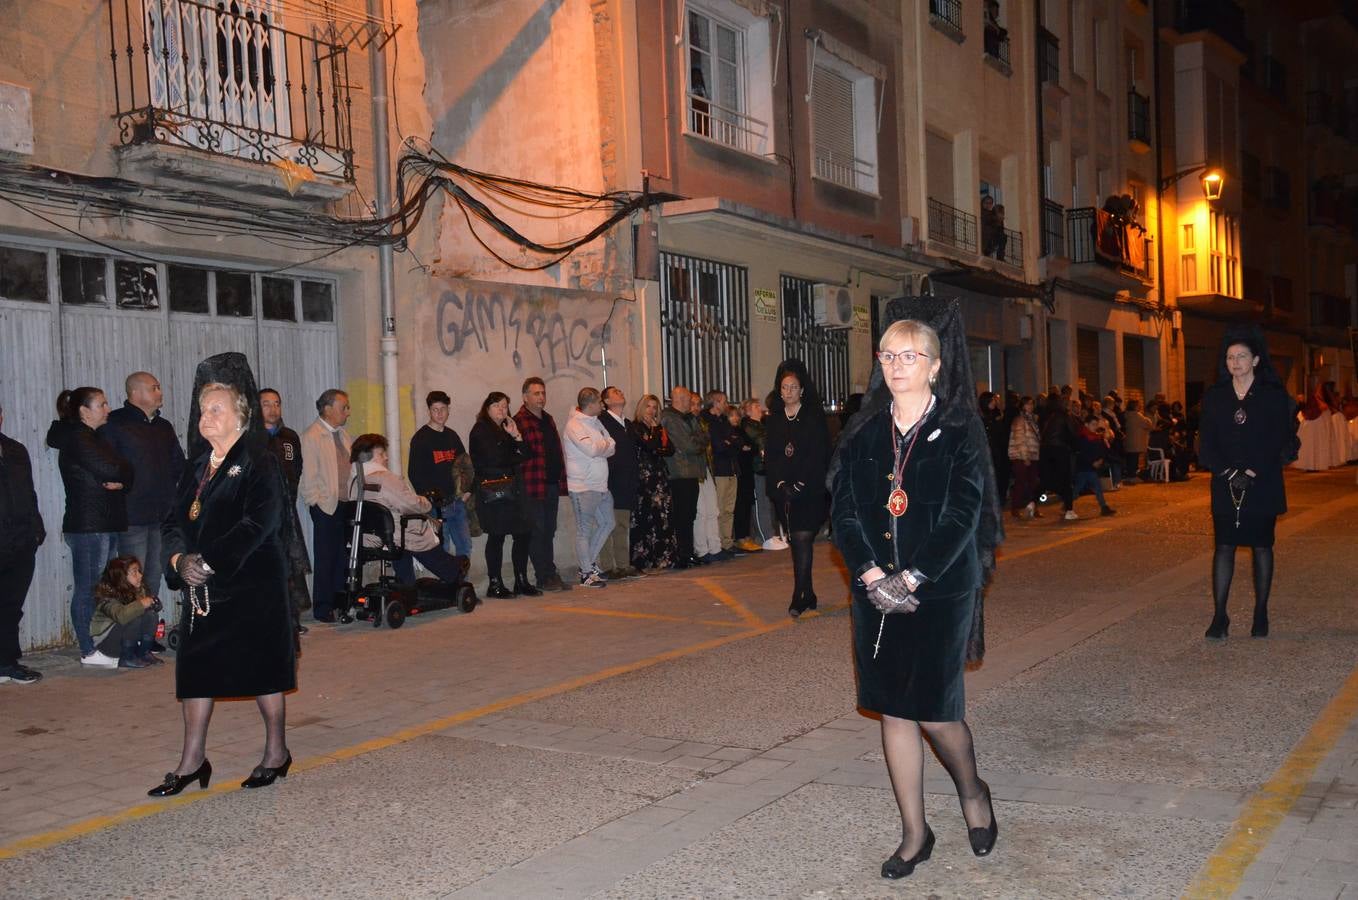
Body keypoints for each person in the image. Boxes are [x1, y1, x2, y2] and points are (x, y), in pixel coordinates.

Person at [829, 308, 1001, 881]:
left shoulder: (957, 431)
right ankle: (914, 832)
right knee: (894, 711)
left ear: (934, 366)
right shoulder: (864, 429)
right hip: (875, 594)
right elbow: (845, 509)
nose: (899, 365)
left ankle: (973, 792)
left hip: (940, 590)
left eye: (911, 356)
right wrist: (872, 575)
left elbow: (963, 512)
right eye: (889, 355)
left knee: (935, 712)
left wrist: (915, 576)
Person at [151, 354, 296, 796]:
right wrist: (178, 562)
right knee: (195, 669)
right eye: (201, 411)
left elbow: (260, 523)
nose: (205, 418)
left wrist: (208, 561)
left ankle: (276, 752)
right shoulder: (197, 466)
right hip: (202, 590)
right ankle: (192, 761)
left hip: (252, 585)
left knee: (263, 668)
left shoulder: (259, 460)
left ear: (240, 416)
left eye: (215, 410)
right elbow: (174, 522)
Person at [1197, 326, 1298, 640]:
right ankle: (1219, 616)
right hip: (1225, 481)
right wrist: (1227, 472)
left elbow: (1282, 440)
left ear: (1255, 359)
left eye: (1241, 356)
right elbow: (1206, 442)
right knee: (1223, 546)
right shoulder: (1216, 397)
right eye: (1230, 357)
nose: (1235, 362)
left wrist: (1253, 471)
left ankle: (1261, 612)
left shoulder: (1273, 397)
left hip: (1262, 481)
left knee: (1262, 546)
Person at [47, 387, 132, 664]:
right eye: (102, 404)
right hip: (89, 525)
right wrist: (124, 473)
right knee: (87, 587)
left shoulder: (93, 438)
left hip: (103, 522)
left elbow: (125, 468)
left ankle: (98, 643)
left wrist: (125, 476)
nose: (108, 409)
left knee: (100, 587)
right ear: (84, 411)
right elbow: (114, 468)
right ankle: (87, 648)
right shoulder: (79, 439)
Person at [102, 372, 185, 653]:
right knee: (131, 581)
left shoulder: (163, 426)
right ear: (136, 393)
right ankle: (129, 641)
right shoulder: (116, 424)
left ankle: (148, 637)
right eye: (154, 387)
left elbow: (178, 466)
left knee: (152, 577)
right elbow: (106, 463)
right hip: (132, 515)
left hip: (162, 515)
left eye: (159, 386)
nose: (160, 391)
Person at [347, 434, 469, 587]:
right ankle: (452, 569)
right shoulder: (385, 479)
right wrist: (427, 502)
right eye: (381, 454)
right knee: (421, 530)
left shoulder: (354, 481)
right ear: (368, 457)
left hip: (367, 537)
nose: (386, 458)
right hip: (393, 534)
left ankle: (406, 584)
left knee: (403, 543)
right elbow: (411, 504)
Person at [764, 359, 831, 617]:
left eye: (793, 387)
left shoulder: (813, 417)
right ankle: (809, 593)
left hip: (809, 489)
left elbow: (817, 454)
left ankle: (798, 596)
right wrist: (781, 483)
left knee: (803, 538)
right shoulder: (776, 419)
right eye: (784, 388)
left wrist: (801, 483)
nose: (788, 392)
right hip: (784, 491)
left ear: (802, 390)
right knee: (796, 540)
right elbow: (772, 455)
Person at [470, 392, 537, 598]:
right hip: (493, 491)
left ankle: (521, 580)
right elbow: (495, 458)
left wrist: (516, 436)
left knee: (523, 533)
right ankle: (494, 583)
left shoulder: (506, 430)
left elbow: (526, 454)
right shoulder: (480, 430)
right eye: (497, 406)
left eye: (505, 406)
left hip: (513, 490)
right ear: (487, 408)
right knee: (497, 536)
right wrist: (513, 452)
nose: (502, 410)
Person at [0, 401, 46, 685]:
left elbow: (29, 493)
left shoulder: (16, 450)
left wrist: (36, 530)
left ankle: (6, 662)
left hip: (20, 540)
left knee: (11, 605)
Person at [260, 389, 310, 636]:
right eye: (266, 404)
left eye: (276, 403)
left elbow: (296, 468)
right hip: (262, 516)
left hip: (287, 512)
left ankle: (293, 619)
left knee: (291, 566)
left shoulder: (289, 437)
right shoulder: (251, 439)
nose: (273, 409)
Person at [299, 389, 352, 623]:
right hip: (326, 506)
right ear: (328, 409)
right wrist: (316, 502)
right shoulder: (311, 436)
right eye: (344, 407)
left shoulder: (344, 435)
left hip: (344, 504)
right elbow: (308, 477)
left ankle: (340, 603)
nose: (347, 412)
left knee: (342, 556)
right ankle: (323, 607)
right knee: (326, 557)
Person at [514, 377, 571, 592]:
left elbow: (555, 450)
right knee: (537, 531)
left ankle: (550, 571)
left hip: (551, 484)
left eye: (543, 393)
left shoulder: (548, 419)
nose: (541, 397)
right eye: (536, 393)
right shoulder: (519, 420)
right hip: (532, 485)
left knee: (550, 530)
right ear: (525, 397)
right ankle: (543, 576)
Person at [407, 391, 475, 560]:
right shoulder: (420, 439)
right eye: (435, 409)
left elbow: (465, 465)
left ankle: (460, 585)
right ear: (429, 411)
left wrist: (466, 491)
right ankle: (445, 586)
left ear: (448, 410)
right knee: (442, 549)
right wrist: (428, 500)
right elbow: (414, 473)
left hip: (456, 503)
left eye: (442, 409)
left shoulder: (452, 436)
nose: (439, 413)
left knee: (465, 546)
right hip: (435, 506)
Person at [563, 388, 617, 588]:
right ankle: (586, 574)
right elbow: (592, 449)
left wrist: (601, 447)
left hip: (601, 485)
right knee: (583, 531)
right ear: (590, 403)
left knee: (608, 523)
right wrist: (602, 446)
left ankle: (587, 564)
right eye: (600, 403)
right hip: (583, 487)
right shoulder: (574, 425)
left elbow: (612, 446)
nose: (602, 406)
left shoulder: (597, 422)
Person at [597, 386, 643, 580]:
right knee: (607, 524)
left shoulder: (628, 424)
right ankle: (607, 566)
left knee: (622, 523)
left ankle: (623, 564)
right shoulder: (602, 422)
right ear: (606, 401)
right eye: (615, 392)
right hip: (610, 481)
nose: (620, 393)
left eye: (620, 391)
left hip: (627, 479)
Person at [629, 394, 678, 572]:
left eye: (655, 407)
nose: (652, 410)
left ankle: (663, 558)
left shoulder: (657, 428)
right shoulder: (635, 427)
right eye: (648, 406)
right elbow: (650, 447)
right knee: (645, 517)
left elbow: (669, 449)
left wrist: (657, 433)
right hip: (645, 479)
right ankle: (643, 560)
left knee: (662, 517)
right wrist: (655, 438)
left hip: (660, 477)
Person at [660, 386, 704, 568]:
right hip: (680, 473)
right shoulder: (670, 417)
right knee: (682, 515)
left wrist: (698, 441)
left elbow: (704, 437)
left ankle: (688, 551)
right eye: (687, 399)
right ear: (677, 399)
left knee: (690, 515)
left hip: (691, 472)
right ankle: (681, 555)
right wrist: (698, 442)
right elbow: (689, 446)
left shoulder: (689, 417)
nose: (690, 402)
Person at [91, 556, 162, 669]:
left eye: (139, 571)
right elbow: (121, 616)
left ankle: (144, 652)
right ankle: (127, 658)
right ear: (121, 577)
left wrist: (153, 605)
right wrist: (142, 604)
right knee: (134, 617)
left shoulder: (137, 588)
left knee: (151, 615)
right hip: (107, 644)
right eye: (134, 572)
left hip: (125, 639)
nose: (140, 575)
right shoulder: (107, 596)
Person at [703, 390, 742, 556]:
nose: (727, 405)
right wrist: (730, 443)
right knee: (718, 509)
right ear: (715, 403)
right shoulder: (709, 422)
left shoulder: (724, 421)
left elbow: (738, 441)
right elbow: (718, 446)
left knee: (729, 509)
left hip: (732, 469)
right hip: (719, 470)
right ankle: (717, 544)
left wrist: (730, 442)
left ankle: (727, 542)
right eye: (724, 401)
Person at [735, 399, 768, 550]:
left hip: (764, 467)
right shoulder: (748, 425)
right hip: (755, 467)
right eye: (755, 406)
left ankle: (767, 534)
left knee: (765, 502)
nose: (760, 408)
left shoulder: (761, 425)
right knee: (759, 502)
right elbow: (760, 443)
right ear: (747, 411)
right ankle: (763, 537)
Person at [1073, 412, 1116, 517]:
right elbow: (1082, 453)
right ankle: (1103, 507)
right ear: (1086, 424)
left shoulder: (1096, 437)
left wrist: (1101, 459)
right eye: (1093, 424)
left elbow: (1102, 450)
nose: (1095, 427)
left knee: (1089, 487)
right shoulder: (1083, 437)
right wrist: (1093, 462)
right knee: (1083, 488)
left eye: (1097, 424)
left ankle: (1104, 507)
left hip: (1092, 467)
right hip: (1084, 467)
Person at [1007, 395, 1041, 519]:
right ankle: (1015, 508)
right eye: (1027, 404)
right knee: (1021, 482)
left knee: (1033, 483)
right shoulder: (1020, 420)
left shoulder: (1033, 420)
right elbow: (1020, 439)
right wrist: (1024, 456)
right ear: (1022, 406)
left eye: (1032, 404)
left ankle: (1031, 506)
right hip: (1022, 456)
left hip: (1033, 454)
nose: (1030, 406)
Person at [1122, 399, 1152, 481]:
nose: (1140, 406)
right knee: (1134, 460)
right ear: (1135, 406)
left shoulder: (1127, 414)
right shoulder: (1137, 415)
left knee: (1130, 459)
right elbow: (1148, 424)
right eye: (1139, 405)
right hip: (1136, 441)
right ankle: (1132, 476)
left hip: (1129, 440)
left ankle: (1130, 475)